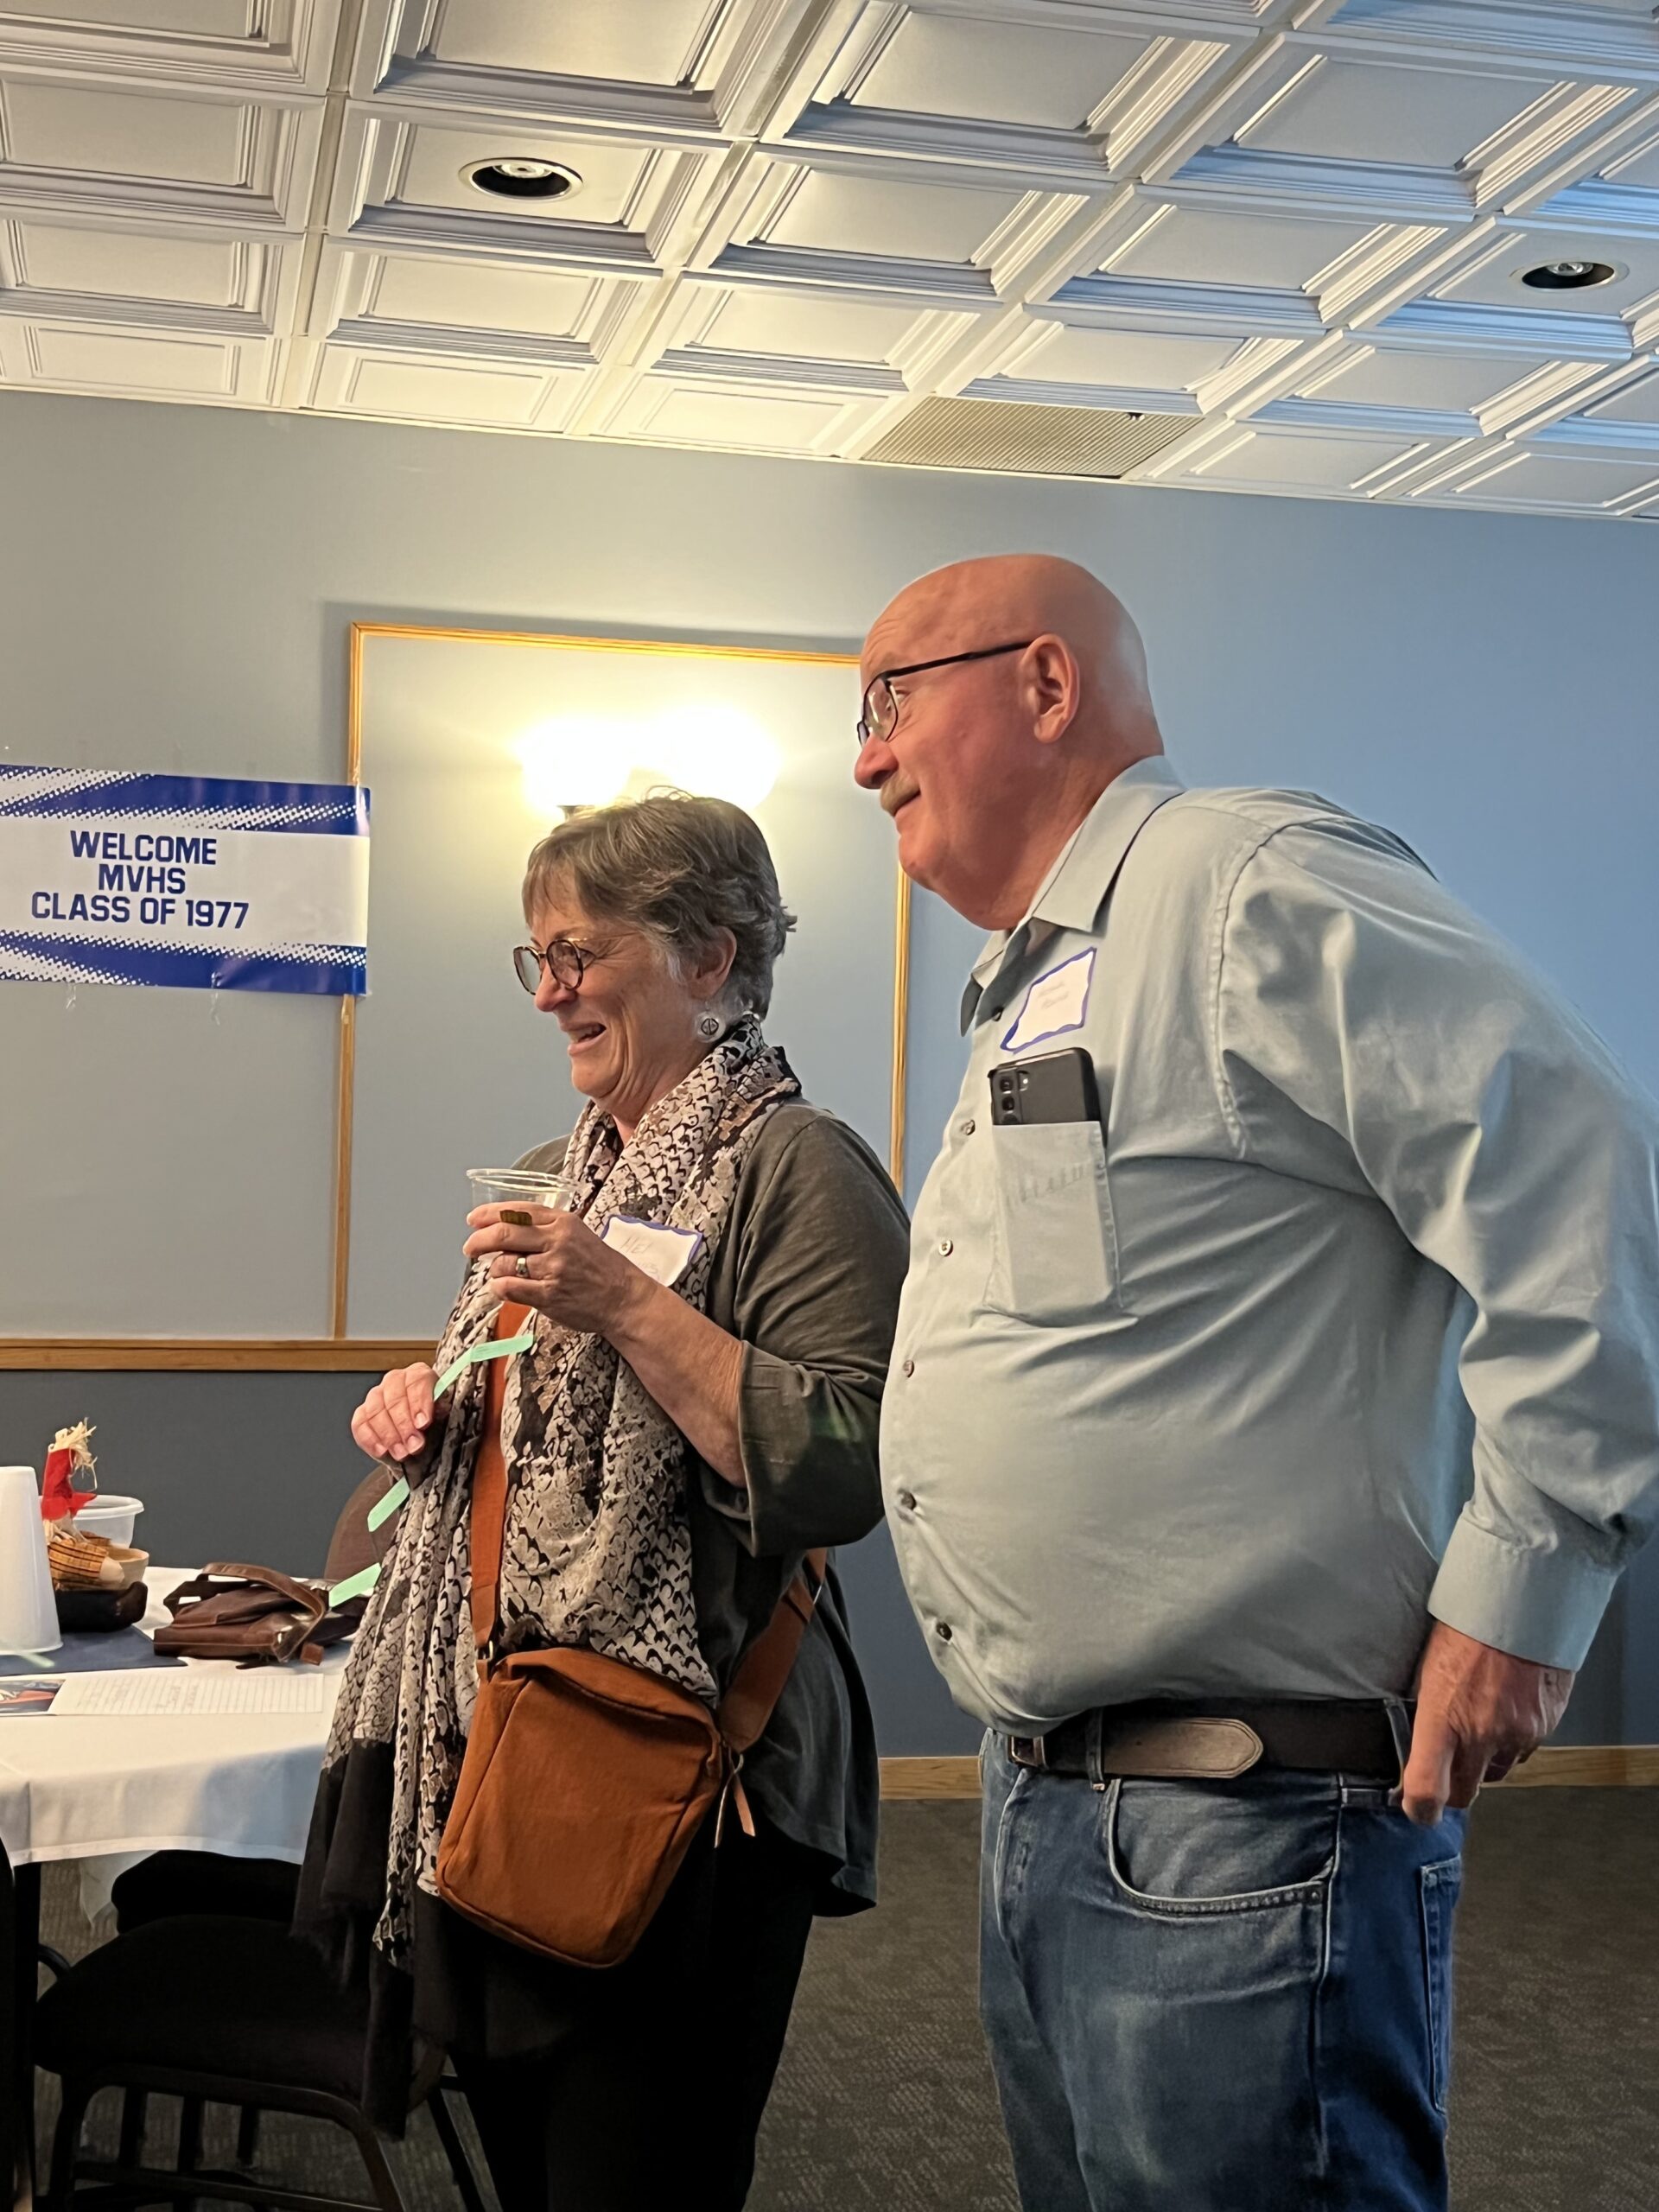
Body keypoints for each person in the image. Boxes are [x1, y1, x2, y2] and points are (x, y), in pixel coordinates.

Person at [853, 554, 1659, 2211]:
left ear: (1047, 684)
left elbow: (1581, 1173)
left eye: (890, 699)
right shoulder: (1045, 977)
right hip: (1058, 1806)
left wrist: (1527, 1588)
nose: (865, 758)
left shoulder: (1243, 886)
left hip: (1247, 1825)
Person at [296, 792, 908, 2211]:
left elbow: (850, 1464)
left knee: (638, 2175)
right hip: (511, 1746)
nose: (549, 991)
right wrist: (426, 1416)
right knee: (534, 2168)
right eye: (539, 957)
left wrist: (625, 1301)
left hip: (697, 1777)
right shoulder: (562, 1171)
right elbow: (512, 1441)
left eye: (580, 953)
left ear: (710, 957)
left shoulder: (803, 1169)